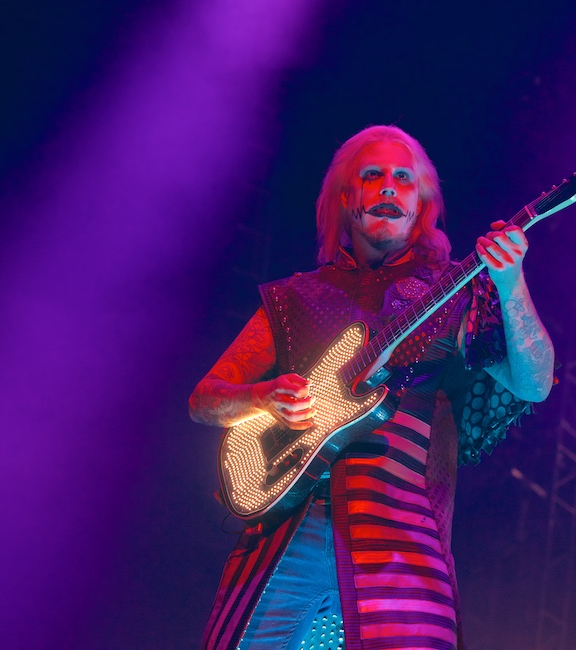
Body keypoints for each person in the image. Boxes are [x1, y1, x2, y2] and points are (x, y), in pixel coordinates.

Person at [190, 125, 555, 650]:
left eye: (403, 178)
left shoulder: (453, 293)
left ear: (422, 205)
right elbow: (205, 398)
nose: (388, 186)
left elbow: (536, 382)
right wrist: (262, 397)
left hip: (400, 539)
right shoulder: (296, 297)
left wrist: (510, 279)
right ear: (347, 198)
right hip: (282, 531)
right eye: (372, 175)